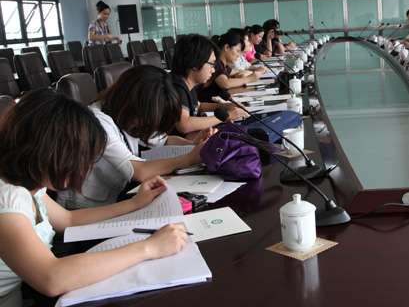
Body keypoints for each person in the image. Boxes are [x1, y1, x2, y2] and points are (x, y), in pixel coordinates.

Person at [0, 89, 187, 305]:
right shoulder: (7, 199)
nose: (82, 167)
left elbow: (68, 219)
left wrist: (134, 203)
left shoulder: (29, 186)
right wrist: (150, 248)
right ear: (46, 151)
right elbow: (51, 277)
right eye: (77, 157)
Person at [57, 65, 205, 210]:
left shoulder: (125, 114)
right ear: (132, 103)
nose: (147, 124)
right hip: (85, 208)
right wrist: (191, 157)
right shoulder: (98, 122)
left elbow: (164, 140)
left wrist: (192, 145)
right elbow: (139, 171)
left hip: (116, 197)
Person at [170, 34, 248, 139]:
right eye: (211, 64)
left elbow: (199, 106)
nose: (213, 70)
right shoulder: (176, 86)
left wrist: (226, 107)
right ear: (194, 63)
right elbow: (184, 125)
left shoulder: (187, 82)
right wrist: (227, 116)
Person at [196, 31, 260, 103]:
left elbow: (238, 72)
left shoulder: (224, 65)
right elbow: (225, 84)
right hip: (208, 105)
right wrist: (249, 79)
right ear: (226, 47)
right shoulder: (217, 64)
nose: (238, 55)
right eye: (237, 51)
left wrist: (239, 75)